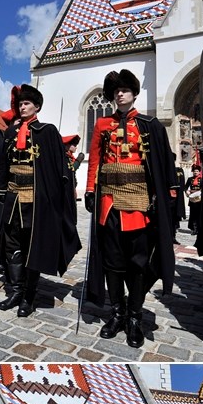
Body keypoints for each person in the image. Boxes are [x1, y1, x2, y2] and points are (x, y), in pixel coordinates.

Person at [83, 66, 177, 346]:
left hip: (139, 205)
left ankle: (135, 316)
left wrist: (168, 197)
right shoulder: (102, 125)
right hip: (109, 203)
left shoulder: (150, 125)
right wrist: (90, 190)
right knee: (113, 264)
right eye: (115, 91)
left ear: (134, 94)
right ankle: (117, 312)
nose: (119, 94)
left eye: (124, 90)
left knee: (137, 264)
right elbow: (95, 160)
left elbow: (163, 165)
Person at [0, 80, 79, 317]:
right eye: (20, 104)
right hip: (13, 197)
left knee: (31, 249)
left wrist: (56, 196)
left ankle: (29, 296)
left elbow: (59, 169)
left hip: (36, 202)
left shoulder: (47, 132)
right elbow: (4, 164)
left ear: (36, 106)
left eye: (26, 103)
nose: (22, 107)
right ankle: (15, 291)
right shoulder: (11, 133)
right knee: (12, 247)